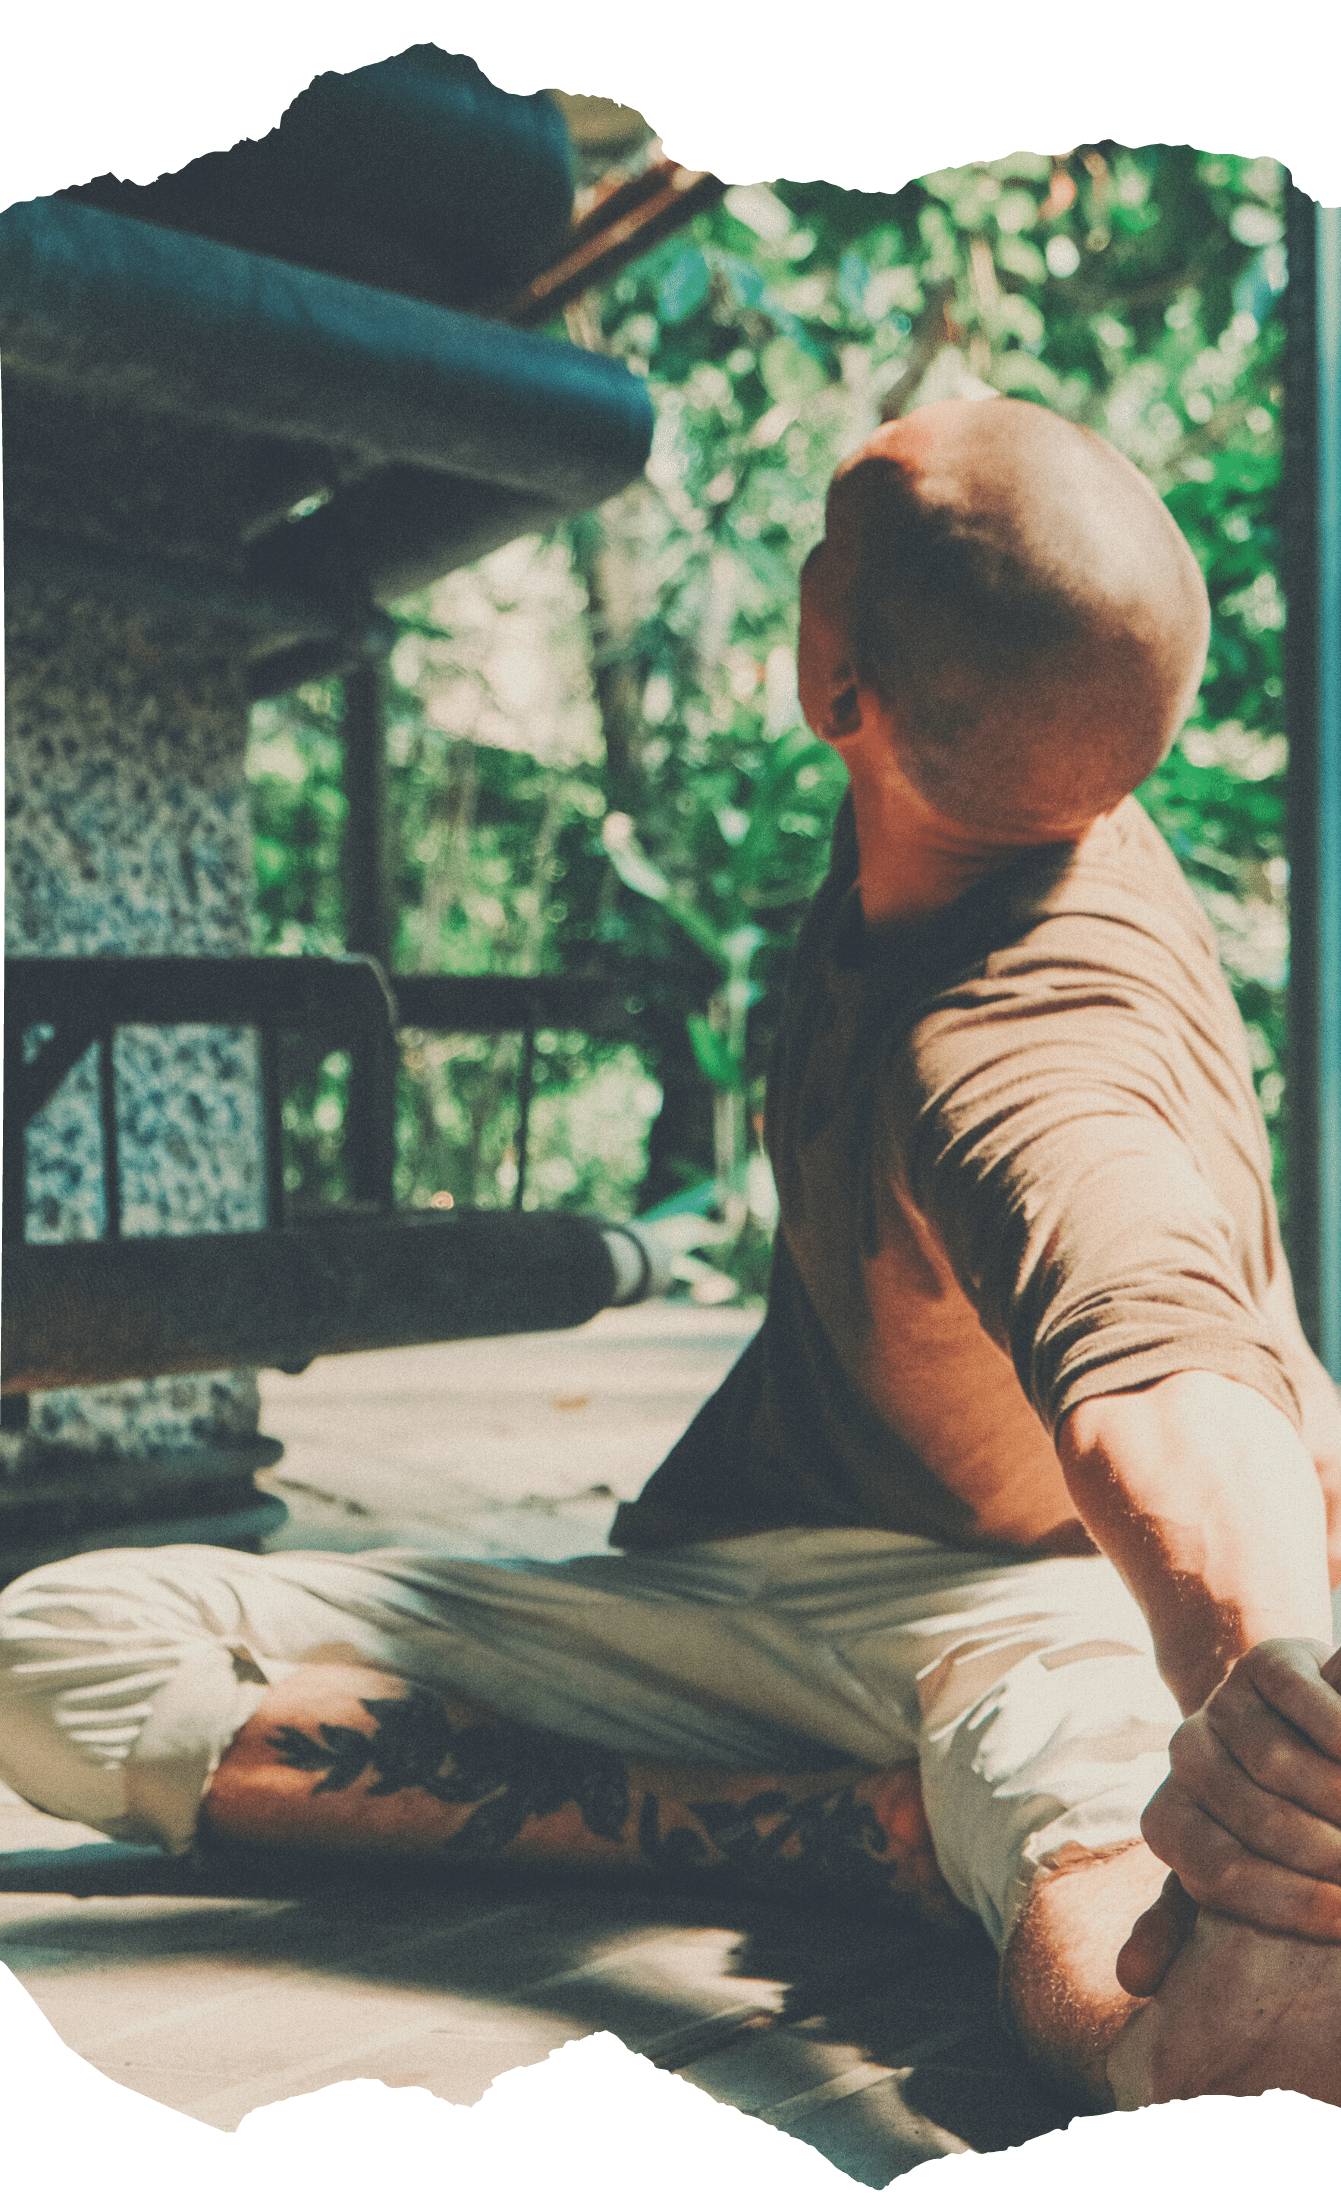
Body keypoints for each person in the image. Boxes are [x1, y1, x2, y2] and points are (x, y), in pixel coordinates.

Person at [3, 398, 1340, 2112]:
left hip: (1046, 1614)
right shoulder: (985, 808)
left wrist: (1273, 1716)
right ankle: (850, 1833)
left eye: (824, 548)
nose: (805, 560)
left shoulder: (1026, 1043)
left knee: (1171, 1955)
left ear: (834, 687)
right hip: (764, 1592)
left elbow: (1157, 1361)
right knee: (70, 1641)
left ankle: (1197, 2037)